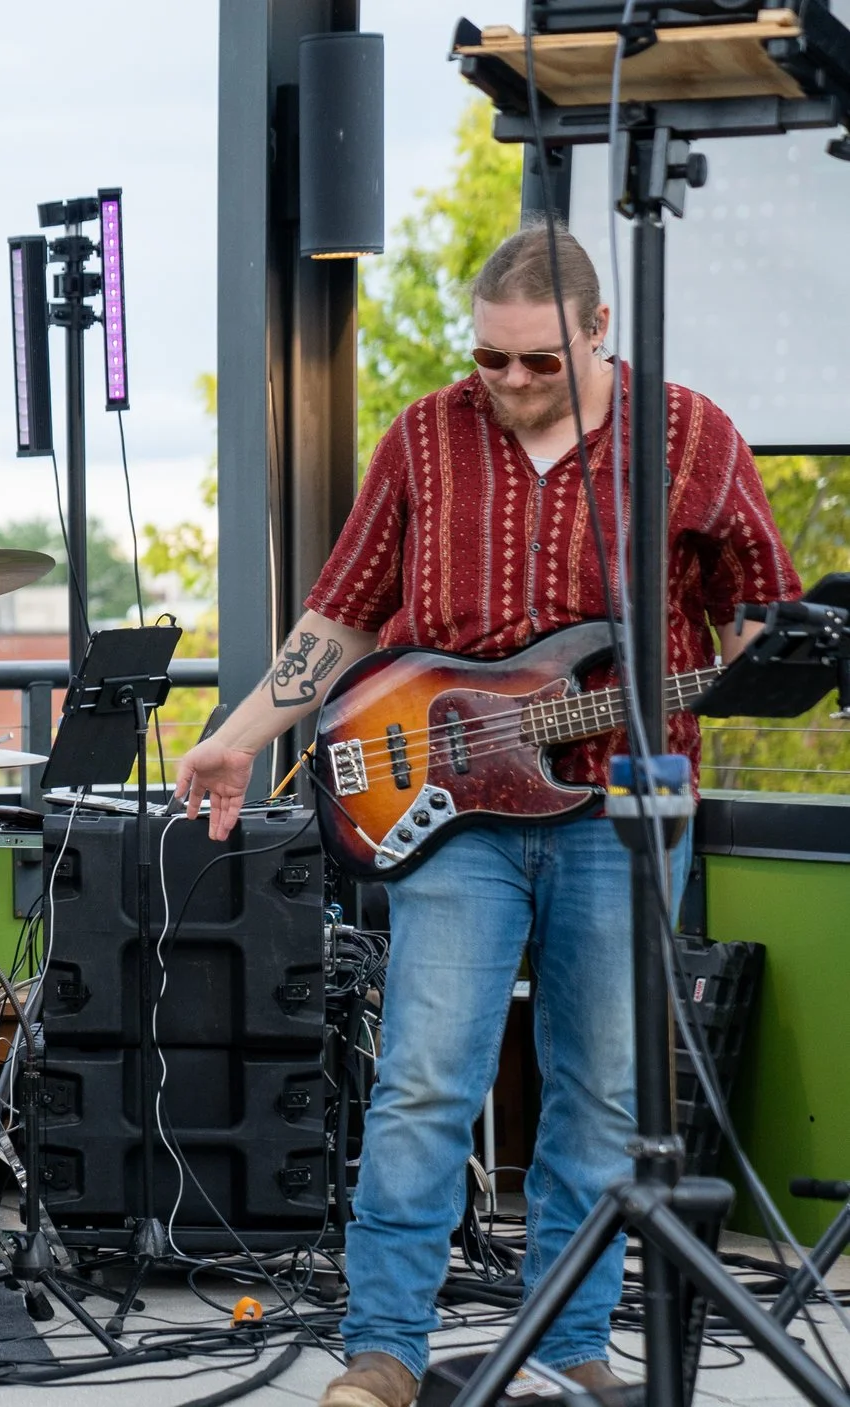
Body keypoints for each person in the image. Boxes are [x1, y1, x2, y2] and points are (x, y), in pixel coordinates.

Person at [174, 222, 796, 1407]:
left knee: (604, 1091)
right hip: (450, 814)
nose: (506, 384)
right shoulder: (425, 432)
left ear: (597, 330)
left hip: (621, 806)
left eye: (535, 364)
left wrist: (766, 668)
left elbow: (758, 606)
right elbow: (342, 614)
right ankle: (384, 1353)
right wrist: (238, 737)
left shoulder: (691, 436)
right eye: (489, 361)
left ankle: (565, 1350)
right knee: (423, 1082)